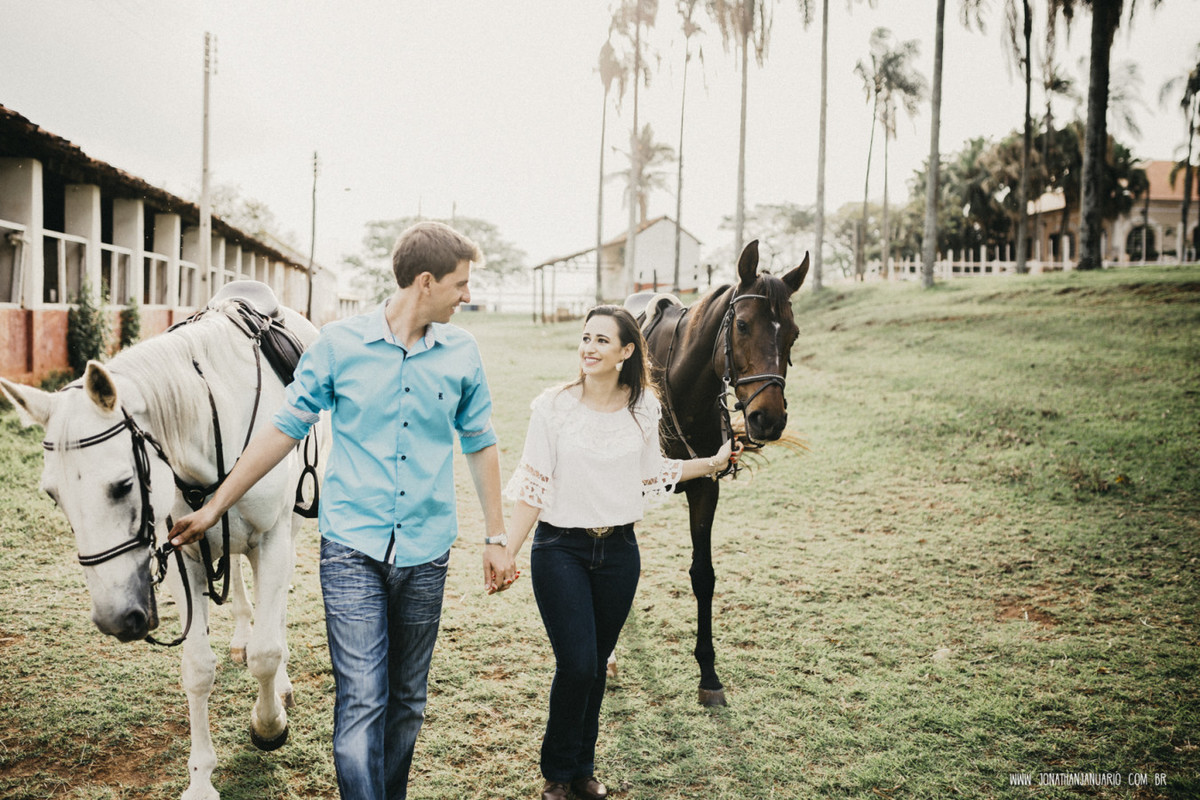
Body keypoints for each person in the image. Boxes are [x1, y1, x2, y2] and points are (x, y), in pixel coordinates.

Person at [168, 221, 516, 800]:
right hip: (352, 550)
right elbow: (283, 429)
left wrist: (497, 535)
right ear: (425, 282)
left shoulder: (461, 351)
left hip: (427, 551)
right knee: (361, 699)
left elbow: (480, 441)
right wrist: (214, 508)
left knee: (407, 700)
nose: (467, 295)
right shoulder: (337, 345)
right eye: (460, 283)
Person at [499, 305, 738, 800]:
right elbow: (534, 488)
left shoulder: (644, 407)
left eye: (601, 340)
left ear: (626, 351)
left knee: (595, 663)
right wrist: (508, 551)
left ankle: (582, 771)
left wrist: (712, 463)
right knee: (578, 664)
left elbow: (653, 472)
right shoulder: (552, 407)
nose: (589, 348)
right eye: (586, 338)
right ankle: (557, 774)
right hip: (560, 549)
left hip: (620, 553)